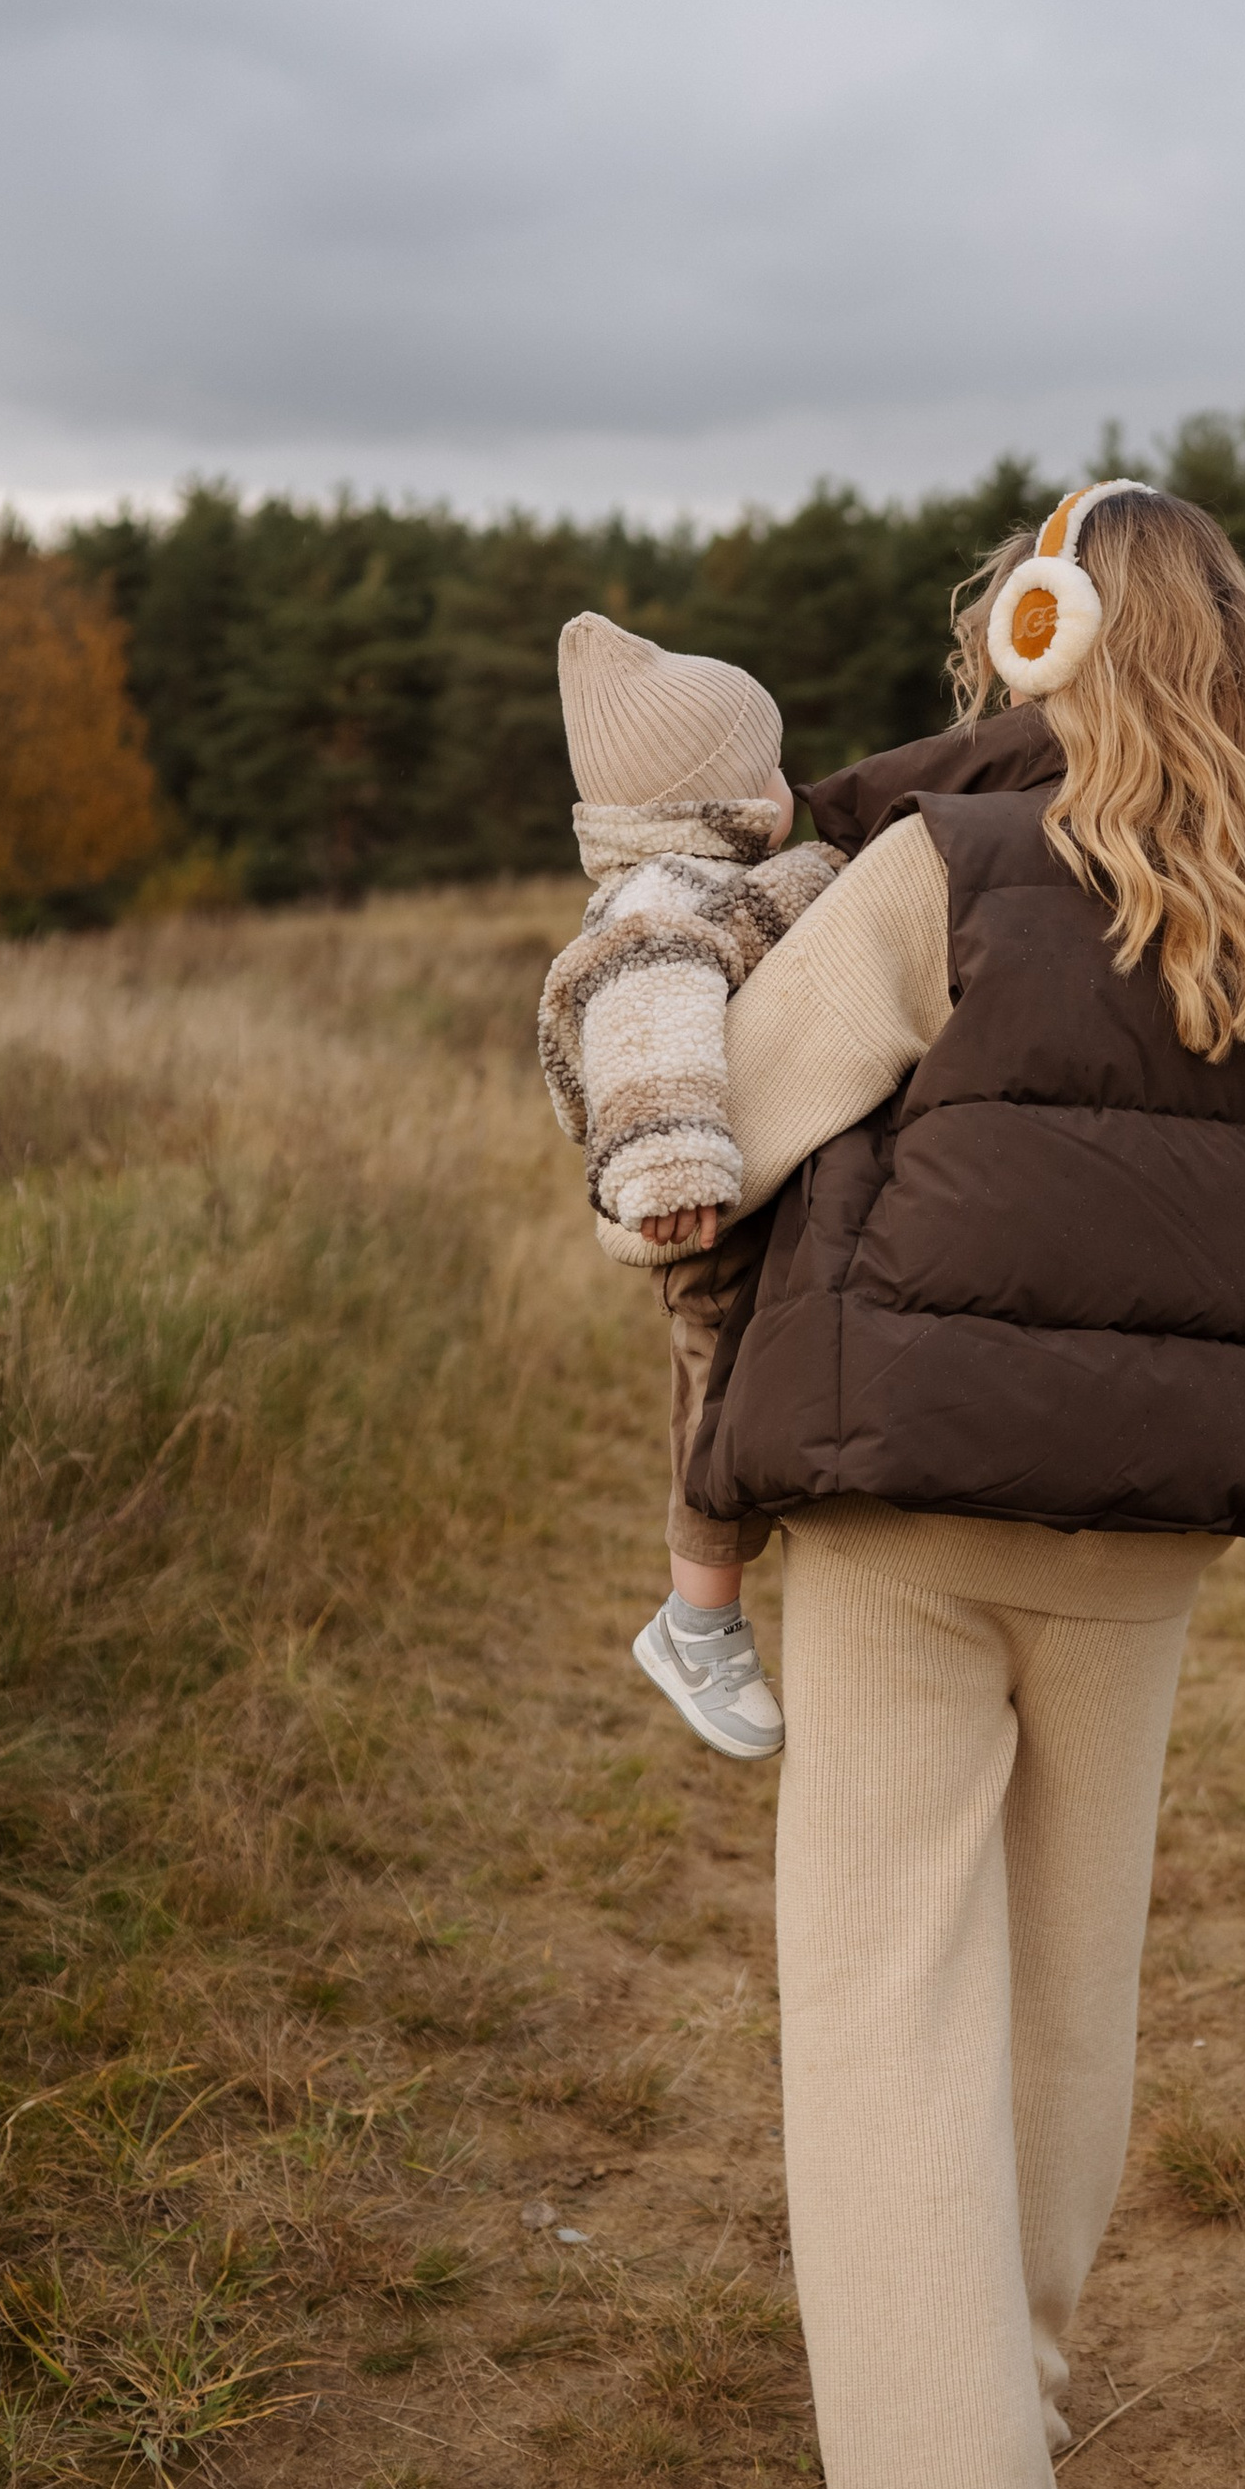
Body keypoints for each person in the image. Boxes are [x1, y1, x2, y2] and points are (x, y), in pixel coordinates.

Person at [674, 481, 1245, 2489]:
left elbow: (738, 1114)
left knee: (889, 2007)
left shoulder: (951, 865)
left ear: (1033, 631)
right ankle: (1026, 2407)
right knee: (1066, 1997)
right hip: (1149, 1537)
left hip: (906, 1513)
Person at [537, 612, 842, 1761]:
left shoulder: (703, 882)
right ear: (713, 797)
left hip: (730, 1184)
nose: (788, 786)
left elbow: (798, 899)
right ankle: (696, 1619)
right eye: (770, 765)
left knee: (748, 1384)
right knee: (717, 1400)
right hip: (695, 1205)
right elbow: (648, 1015)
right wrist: (667, 1166)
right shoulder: (657, 909)